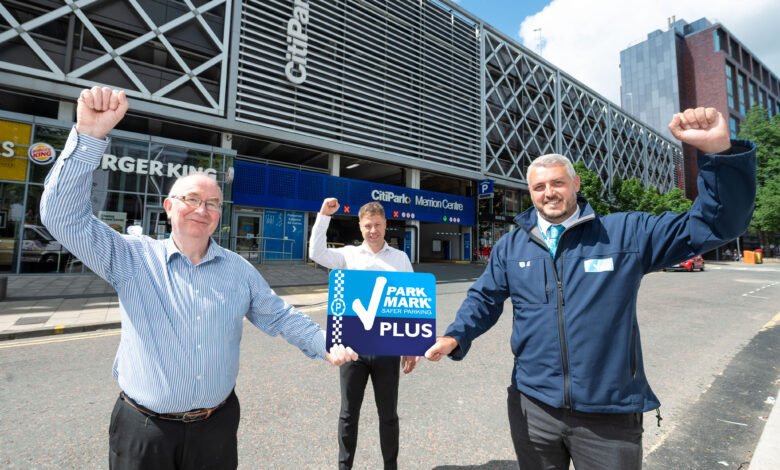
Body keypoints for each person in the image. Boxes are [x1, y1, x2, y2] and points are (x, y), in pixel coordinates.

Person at [40, 86, 358, 470]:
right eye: (191, 199)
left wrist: (325, 343)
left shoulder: (239, 270)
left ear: (219, 215)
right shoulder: (129, 256)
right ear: (169, 207)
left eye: (211, 203)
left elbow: (280, 316)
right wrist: (89, 136)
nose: (201, 209)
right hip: (144, 431)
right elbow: (62, 218)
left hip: (216, 428)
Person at [425, 107, 756, 469]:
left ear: (576, 184)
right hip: (533, 406)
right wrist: (456, 336)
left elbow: (715, 224)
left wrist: (720, 155)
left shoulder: (626, 233)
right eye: (539, 187)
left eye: (557, 183)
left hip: (608, 416)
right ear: (530, 193)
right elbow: (484, 298)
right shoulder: (511, 245)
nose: (549, 193)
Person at [309, 198, 418, 470]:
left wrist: (412, 345)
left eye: (378, 225)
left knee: (388, 416)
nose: (373, 230)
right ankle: (344, 466)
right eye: (368, 225)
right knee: (348, 414)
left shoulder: (400, 259)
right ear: (360, 227)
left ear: (385, 225)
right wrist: (324, 216)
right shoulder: (348, 256)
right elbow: (316, 253)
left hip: (387, 349)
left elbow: (412, 301)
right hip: (352, 349)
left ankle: (390, 466)